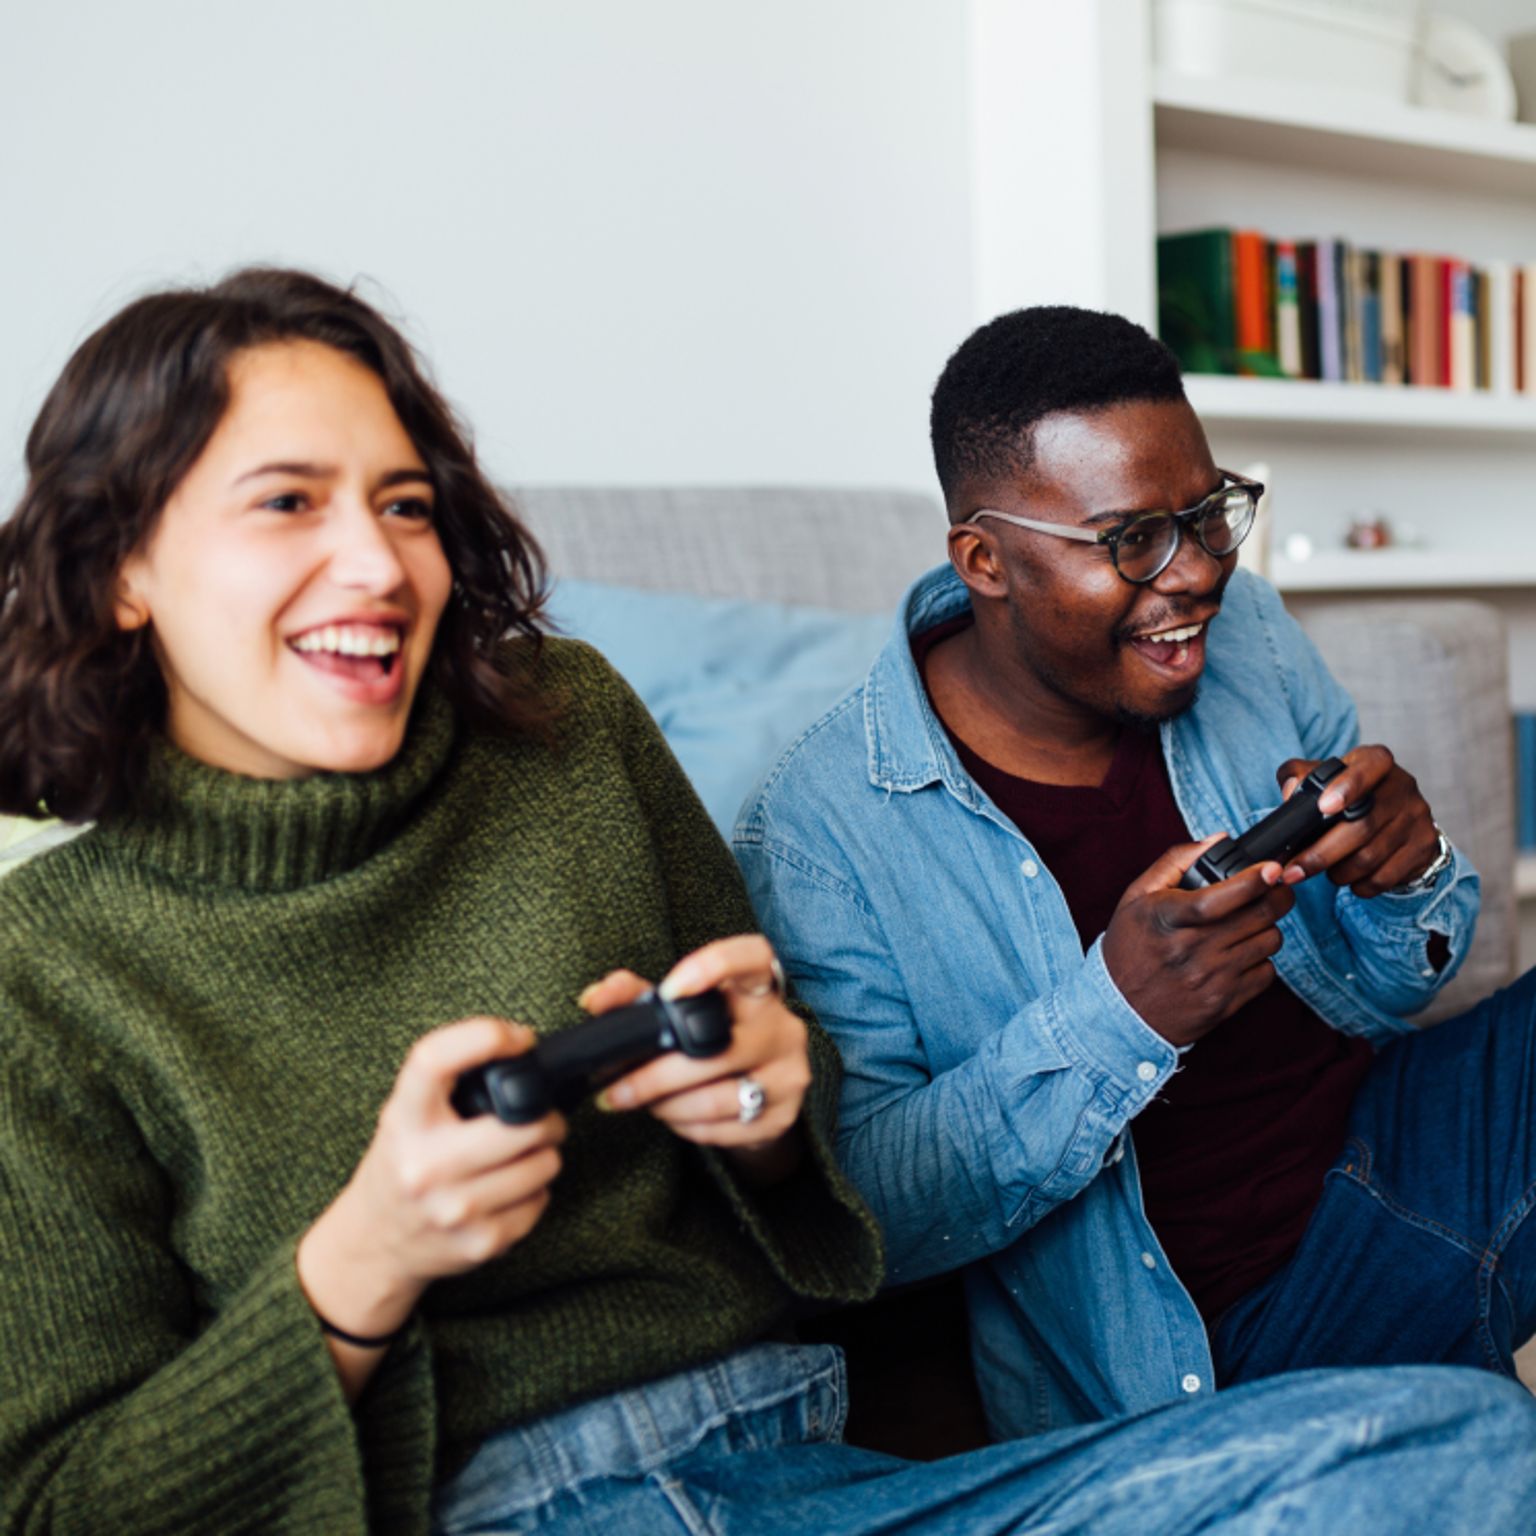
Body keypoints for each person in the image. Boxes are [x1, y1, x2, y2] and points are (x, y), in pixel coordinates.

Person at [1, 273, 1532, 1536]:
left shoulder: (562, 730)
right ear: (121, 563)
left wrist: (764, 1114)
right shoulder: (49, 973)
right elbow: (60, 1502)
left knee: (1465, 1452)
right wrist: (363, 1268)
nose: (376, 559)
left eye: (404, 503)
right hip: (512, 1504)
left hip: (808, 1468)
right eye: (287, 501)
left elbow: (831, 1220)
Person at [735, 304, 1536, 1444]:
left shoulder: (1247, 630)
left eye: (1211, 514)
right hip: (1203, 1339)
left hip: (1394, 1153)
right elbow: (863, 1220)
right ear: (984, 560)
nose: (1199, 572)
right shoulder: (822, 833)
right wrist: (1119, 1012)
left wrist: (1409, 870)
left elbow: (1400, 983)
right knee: (1477, 1449)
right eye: (1133, 540)